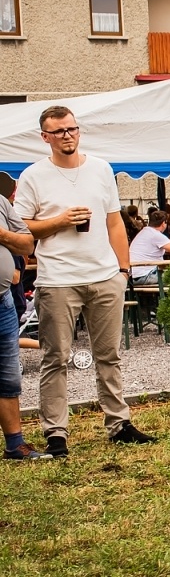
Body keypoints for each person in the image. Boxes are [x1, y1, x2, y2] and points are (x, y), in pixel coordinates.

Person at [16, 107, 156, 455]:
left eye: (72, 129)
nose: (67, 135)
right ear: (45, 137)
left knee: (109, 355)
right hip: (58, 280)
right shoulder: (34, 176)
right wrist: (59, 221)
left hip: (105, 276)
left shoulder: (101, 168)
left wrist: (122, 272)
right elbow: (22, 228)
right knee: (55, 357)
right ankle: (56, 434)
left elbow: (113, 223)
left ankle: (119, 423)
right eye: (58, 131)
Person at [0, 188, 34, 458]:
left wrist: (2, 235)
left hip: (3, 302)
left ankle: (15, 444)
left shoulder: (0, 202)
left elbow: (27, 244)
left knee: (8, 377)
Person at [128, 209, 170, 282]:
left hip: (134, 277)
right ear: (163, 223)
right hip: (146, 275)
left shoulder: (145, 231)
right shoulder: (155, 235)